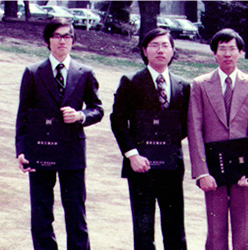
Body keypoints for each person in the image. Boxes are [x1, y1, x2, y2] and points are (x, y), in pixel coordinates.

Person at [15, 18, 104, 250]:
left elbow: (98, 109)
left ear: (73, 40)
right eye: (56, 35)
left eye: (67, 36)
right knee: (41, 213)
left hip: (72, 152)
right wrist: (21, 151)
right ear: (47, 41)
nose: (62, 40)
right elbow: (23, 115)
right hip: (40, 149)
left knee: (76, 212)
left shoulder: (85, 73)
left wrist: (80, 116)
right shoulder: (33, 72)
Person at [110, 28, 190, 250]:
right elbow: (118, 121)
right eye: (154, 45)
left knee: (175, 227)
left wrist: (167, 146)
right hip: (140, 166)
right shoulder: (131, 81)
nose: (160, 50)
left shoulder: (183, 85)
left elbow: (185, 125)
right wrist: (132, 154)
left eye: (165, 45)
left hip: (171, 165)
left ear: (173, 50)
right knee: (143, 229)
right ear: (144, 51)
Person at [187, 28, 248, 250]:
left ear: (240, 52)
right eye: (222, 49)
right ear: (214, 54)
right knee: (216, 230)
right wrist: (202, 172)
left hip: (242, 170)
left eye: (232, 49)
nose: (227, 54)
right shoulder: (200, 85)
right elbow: (195, 130)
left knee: (243, 232)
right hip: (213, 169)